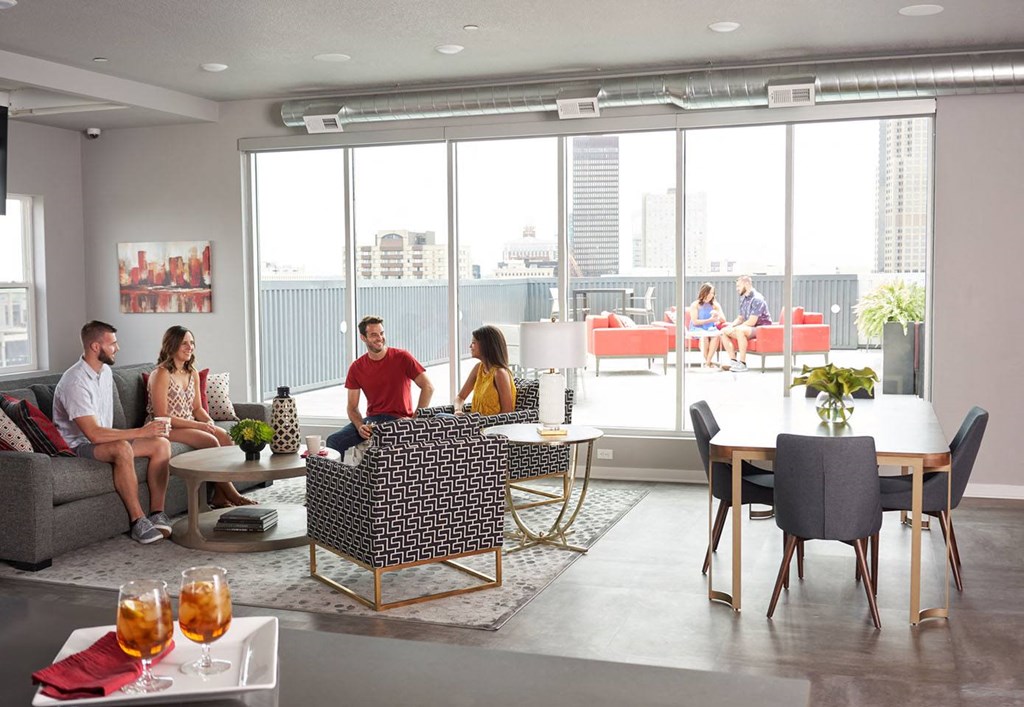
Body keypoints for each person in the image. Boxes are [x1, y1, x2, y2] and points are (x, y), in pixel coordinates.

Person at [52, 321, 173, 544]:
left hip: (101, 440)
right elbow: (94, 435)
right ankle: (138, 521)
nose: (117, 348)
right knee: (121, 447)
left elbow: (104, 429)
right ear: (95, 347)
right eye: (113, 344)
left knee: (161, 444)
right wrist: (141, 431)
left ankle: (157, 513)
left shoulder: (105, 372)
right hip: (78, 447)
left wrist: (147, 434)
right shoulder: (74, 382)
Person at [147, 325, 255, 509]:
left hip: (188, 424)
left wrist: (207, 420)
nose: (190, 347)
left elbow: (197, 408)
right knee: (211, 441)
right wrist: (199, 426)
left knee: (224, 436)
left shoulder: (192, 372)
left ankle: (220, 497)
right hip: (164, 428)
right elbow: (161, 415)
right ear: (171, 345)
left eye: (192, 343)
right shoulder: (162, 374)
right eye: (184, 343)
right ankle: (233, 494)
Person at [326, 315, 434, 458]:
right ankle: (339, 480)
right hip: (373, 422)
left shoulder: (402, 357)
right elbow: (352, 407)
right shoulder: (356, 367)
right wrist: (359, 426)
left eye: (382, 333)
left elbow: (428, 387)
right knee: (334, 441)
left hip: (399, 421)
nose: (380, 338)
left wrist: (415, 420)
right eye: (374, 335)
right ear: (363, 338)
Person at [452, 325, 517, 415]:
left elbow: (507, 412)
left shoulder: (500, 373)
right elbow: (460, 397)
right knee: (439, 417)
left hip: (490, 426)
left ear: (486, 346)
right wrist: (458, 410)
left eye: (474, 342)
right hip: (474, 423)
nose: (470, 346)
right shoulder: (478, 368)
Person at [720, 275, 773, 372]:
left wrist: (737, 328)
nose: (737, 289)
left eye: (739, 286)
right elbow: (740, 318)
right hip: (749, 328)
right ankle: (734, 362)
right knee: (724, 331)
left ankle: (743, 364)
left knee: (739, 330)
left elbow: (752, 322)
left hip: (761, 329)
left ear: (747, 284)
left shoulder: (757, 299)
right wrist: (730, 326)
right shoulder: (744, 299)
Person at [688, 283, 726, 368]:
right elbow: (695, 322)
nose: (710, 295)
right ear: (703, 292)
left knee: (716, 336)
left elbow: (723, 319)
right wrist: (710, 320)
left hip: (710, 328)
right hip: (697, 328)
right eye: (709, 293)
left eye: (712, 293)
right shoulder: (695, 304)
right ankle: (709, 363)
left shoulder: (715, 305)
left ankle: (708, 363)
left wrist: (717, 315)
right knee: (704, 337)